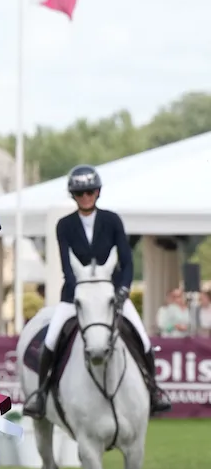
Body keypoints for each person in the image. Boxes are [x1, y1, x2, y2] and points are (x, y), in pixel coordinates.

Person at [23, 164, 171, 418]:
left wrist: (123, 289)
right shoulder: (64, 225)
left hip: (112, 294)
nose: (85, 197)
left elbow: (127, 261)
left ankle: (153, 389)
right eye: (80, 193)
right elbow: (66, 266)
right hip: (76, 296)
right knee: (51, 338)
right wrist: (77, 289)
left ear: (97, 192)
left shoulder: (112, 220)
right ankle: (41, 393)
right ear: (73, 196)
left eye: (90, 192)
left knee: (143, 338)